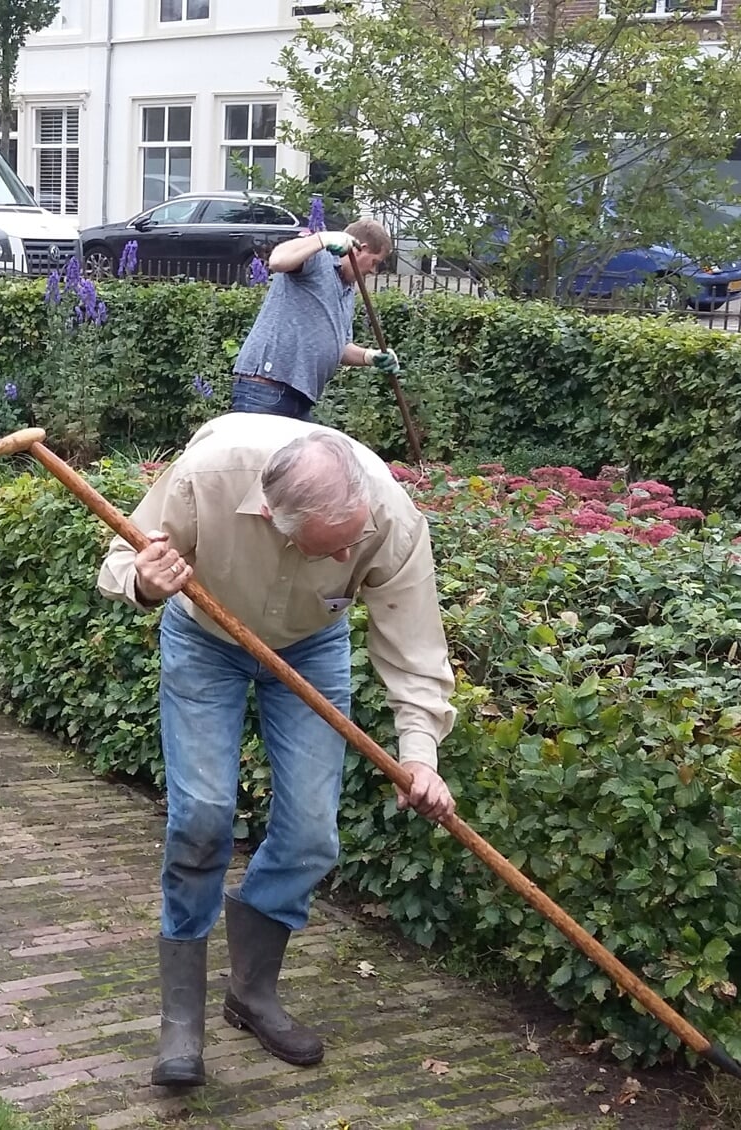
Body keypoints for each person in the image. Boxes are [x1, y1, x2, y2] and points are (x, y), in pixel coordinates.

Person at [96, 412, 458, 1088]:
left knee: (310, 836)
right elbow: (120, 562)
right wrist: (146, 582)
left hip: (311, 649)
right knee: (201, 818)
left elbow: (414, 651)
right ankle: (180, 1020)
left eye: (343, 549)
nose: (334, 561)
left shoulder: (390, 517)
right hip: (205, 638)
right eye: (321, 549)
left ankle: (252, 993)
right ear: (269, 512)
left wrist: (420, 756)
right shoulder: (207, 475)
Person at [230, 217, 401, 421]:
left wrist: (370, 356)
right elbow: (277, 260)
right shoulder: (319, 259)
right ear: (359, 249)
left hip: (299, 399)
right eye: (375, 262)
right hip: (266, 390)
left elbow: (339, 346)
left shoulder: (347, 290)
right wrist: (322, 239)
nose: (374, 270)